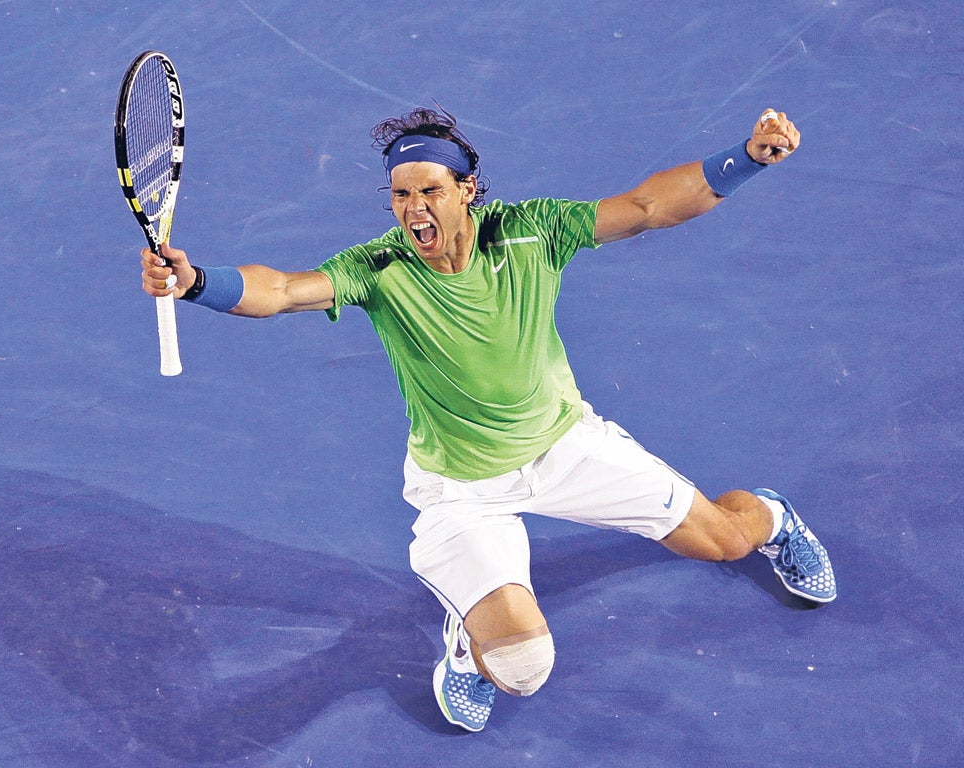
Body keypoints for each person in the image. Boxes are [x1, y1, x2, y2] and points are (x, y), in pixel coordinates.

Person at [140, 105, 836, 733]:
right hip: (463, 488)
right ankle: (470, 642)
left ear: (467, 190)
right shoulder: (378, 269)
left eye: (429, 190)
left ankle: (773, 518)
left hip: (567, 446)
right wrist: (197, 281)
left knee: (726, 542)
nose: (413, 208)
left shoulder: (532, 232)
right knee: (523, 665)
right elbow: (286, 289)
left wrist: (745, 159)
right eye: (401, 193)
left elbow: (651, 206)